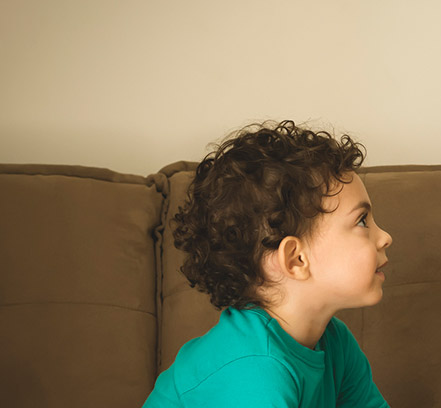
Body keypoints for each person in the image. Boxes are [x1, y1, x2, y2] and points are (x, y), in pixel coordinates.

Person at [143, 120, 393, 407]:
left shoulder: (335, 343)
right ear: (296, 259)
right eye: (362, 221)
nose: (385, 237)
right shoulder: (255, 369)